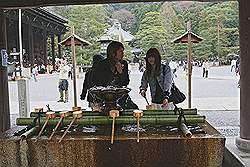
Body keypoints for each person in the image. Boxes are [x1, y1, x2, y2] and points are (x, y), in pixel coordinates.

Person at [93, 41, 138, 109]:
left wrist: (120, 72)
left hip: (121, 97)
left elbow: (125, 83)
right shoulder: (102, 64)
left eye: (123, 51)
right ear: (113, 53)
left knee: (134, 109)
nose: (123, 54)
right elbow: (98, 83)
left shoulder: (124, 63)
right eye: (120, 51)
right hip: (104, 97)